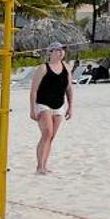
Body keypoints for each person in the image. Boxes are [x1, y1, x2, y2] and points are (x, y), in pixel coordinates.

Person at [28, 42, 74, 175]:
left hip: (59, 104)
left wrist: (70, 107)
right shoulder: (43, 68)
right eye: (58, 50)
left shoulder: (66, 67)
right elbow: (33, 91)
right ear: (50, 52)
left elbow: (69, 88)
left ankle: (45, 164)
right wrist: (33, 109)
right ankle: (39, 166)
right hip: (43, 103)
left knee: (52, 136)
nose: (61, 52)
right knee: (47, 133)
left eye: (62, 50)